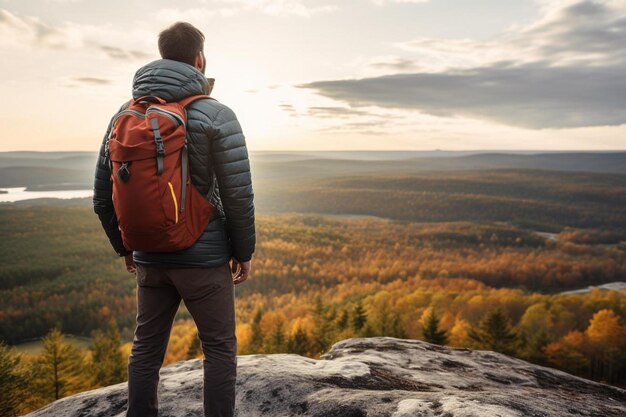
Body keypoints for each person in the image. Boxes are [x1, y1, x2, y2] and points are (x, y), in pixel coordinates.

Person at [93, 21, 255, 417]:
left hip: (149, 255)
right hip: (204, 257)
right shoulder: (216, 114)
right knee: (218, 349)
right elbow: (238, 195)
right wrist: (243, 251)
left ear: (162, 55)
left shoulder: (123, 116)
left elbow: (102, 196)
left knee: (146, 348)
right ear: (200, 59)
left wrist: (126, 247)